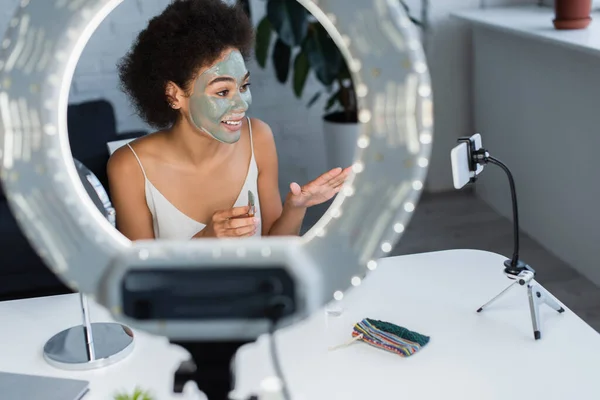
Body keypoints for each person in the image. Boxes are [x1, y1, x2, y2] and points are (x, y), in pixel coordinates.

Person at [107, 0, 350, 241]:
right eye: (222, 92)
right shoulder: (129, 167)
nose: (242, 103)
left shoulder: (258, 137)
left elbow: (275, 246)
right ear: (174, 95)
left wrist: (296, 206)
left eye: (244, 86)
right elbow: (137, 275)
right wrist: (204, 239)